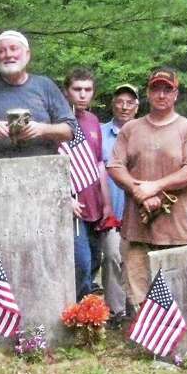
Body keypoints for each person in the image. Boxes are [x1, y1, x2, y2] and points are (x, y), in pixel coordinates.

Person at [107, 67, 187, 309]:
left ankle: (178, 344)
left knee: (178, 295)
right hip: (137, 228)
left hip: (176, 229)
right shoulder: (130, 129)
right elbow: (115, 165)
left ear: (175, 94)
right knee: (139, 294)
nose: (161, 95)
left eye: (167, 89)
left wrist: (155, 188)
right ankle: (146, 343)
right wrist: (138, 191)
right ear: (148, 93)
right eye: (156, 89)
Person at [0, 30, 73, 160]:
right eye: (2, 51)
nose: (8, 55)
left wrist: (42, 129)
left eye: (13, 49)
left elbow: (70, 130)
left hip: (41, 171)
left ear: (27, 54)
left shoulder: (45, 86)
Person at [64, 67, 114, 300]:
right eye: (77, 89)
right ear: (67, 91)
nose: (82, 95)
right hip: (72, 203)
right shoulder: (59, 121)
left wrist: (106, 203)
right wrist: (64, 197)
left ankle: (87, 307)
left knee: (95, 258)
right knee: (81, 260)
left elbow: (98, 164)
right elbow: (52, 165)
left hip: (94, 200)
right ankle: (80, 310)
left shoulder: (94, 121)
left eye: (88, 90)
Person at [101, 83, 139, 323]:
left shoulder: (146, 131)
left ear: (137, 107)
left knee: (135, 261)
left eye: (130, 102)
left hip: (139, 212)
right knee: (113, 257)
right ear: (113, 104)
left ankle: (137, 307)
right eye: (120, 102)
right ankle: (116, 312)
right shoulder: (100, 133)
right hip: (111, 211)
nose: (124, 107)